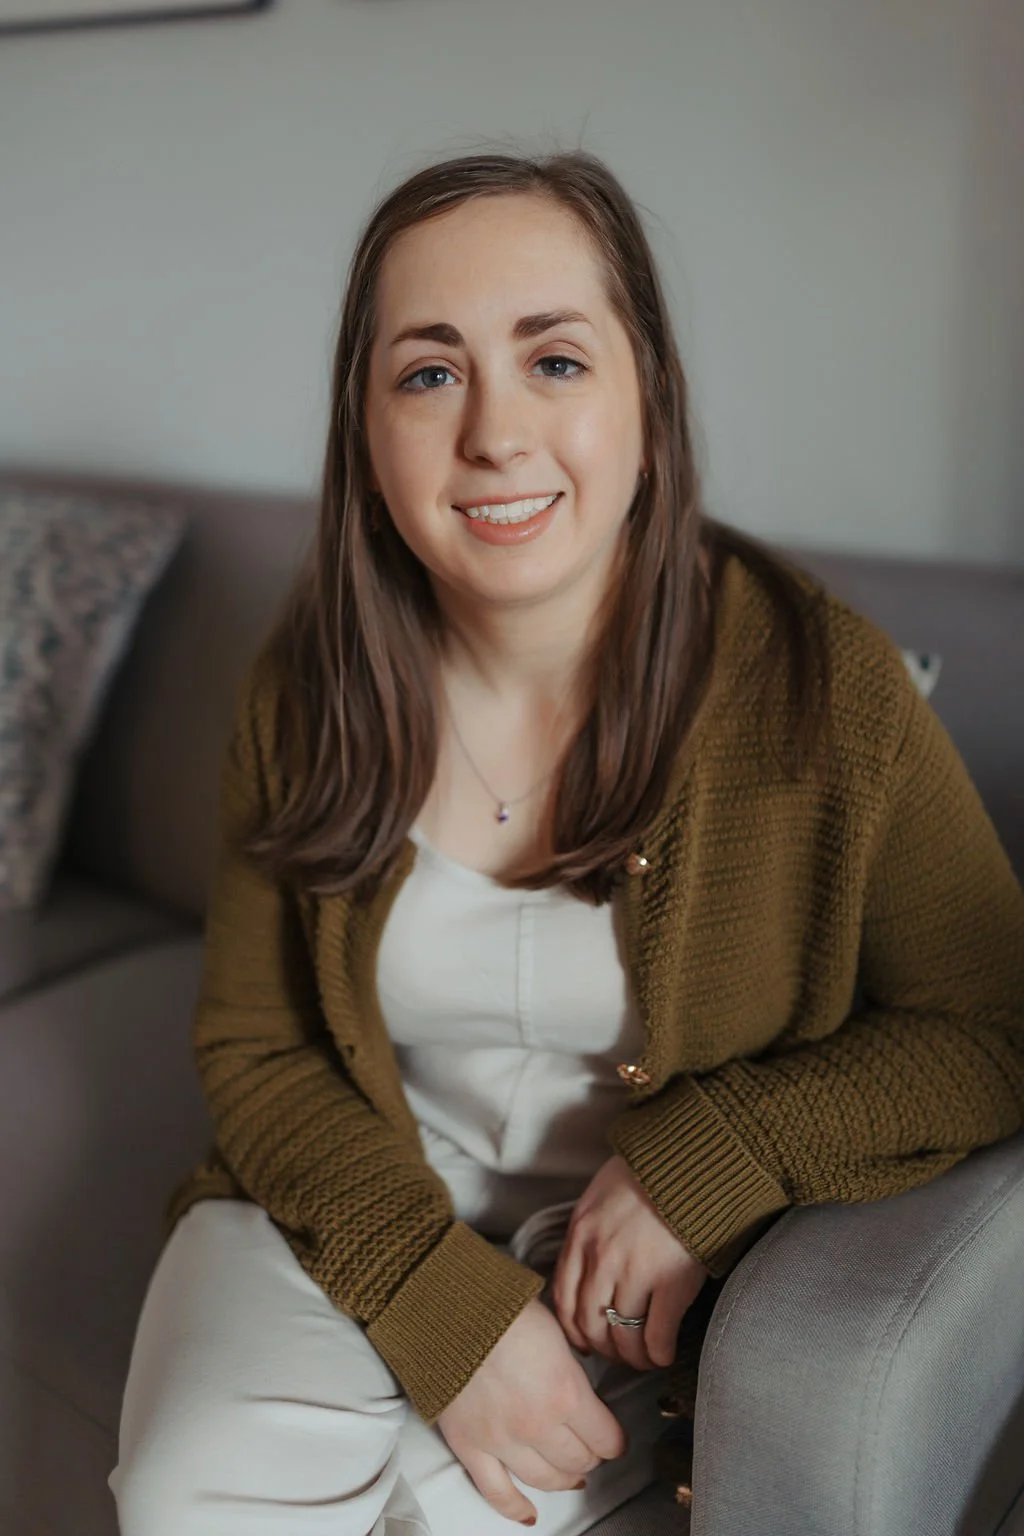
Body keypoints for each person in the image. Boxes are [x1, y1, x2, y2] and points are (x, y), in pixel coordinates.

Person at [109, 151, 1024, 1536]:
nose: (492, 433)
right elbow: (255, 1043)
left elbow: (993, 1023)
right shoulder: (308, 678)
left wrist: (706, 1158)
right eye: (428, 374)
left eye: (554, 360)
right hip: (346, 1210)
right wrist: (429, 1294)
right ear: (366, 432)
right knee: (189, 1503)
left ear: (644, 394)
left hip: (614, 1275)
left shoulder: (825, 687)